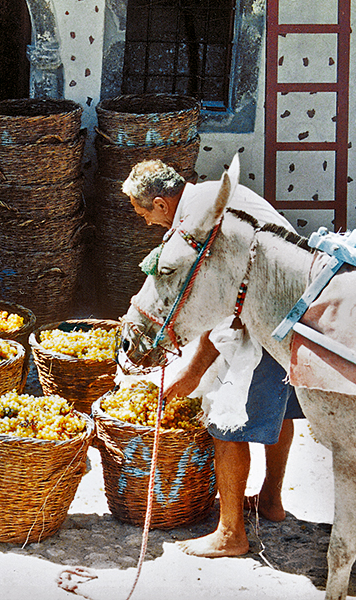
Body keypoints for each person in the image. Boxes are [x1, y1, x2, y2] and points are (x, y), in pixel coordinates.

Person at [123, 159, 305, 557]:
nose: (147, 222)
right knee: (281, 410)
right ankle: (271, 501)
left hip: (265, 315)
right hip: (288, 309)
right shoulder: (206, 199)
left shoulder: (202, 220)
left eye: (144, 214)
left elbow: (218, 307)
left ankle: (230, 533)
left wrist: (192, 373)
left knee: (225, 420)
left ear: (161, 203)